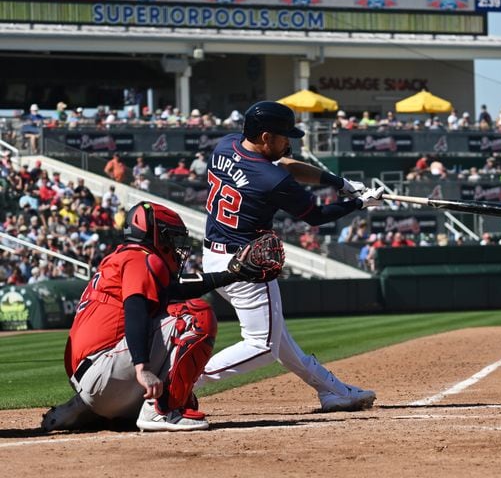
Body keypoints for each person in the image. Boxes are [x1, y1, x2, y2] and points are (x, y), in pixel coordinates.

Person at [198, 101, 382, 412]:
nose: (289, 143)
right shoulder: (271, 180)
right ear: (266, 137)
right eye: (284, 137)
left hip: (215, 258)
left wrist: (340, 184)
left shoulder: (225, 144)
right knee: (264, 346)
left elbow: (284, 165)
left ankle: (332, 391)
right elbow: (317, 216)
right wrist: (359, 205)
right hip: (247, 267)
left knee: (279, 338)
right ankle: (177, 382)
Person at [41, 201, 250, 432]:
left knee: (171, 316)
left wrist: (231, 274)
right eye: (170, 236)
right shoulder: (140, 258)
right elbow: (135, 310)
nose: (174, 245)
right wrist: (142, 368)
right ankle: (161, 411)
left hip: (92, 377)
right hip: (105, 374)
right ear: (156, 234)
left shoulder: (122, 257)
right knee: (196, 314)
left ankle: (87, 410)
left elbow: (176, 289)